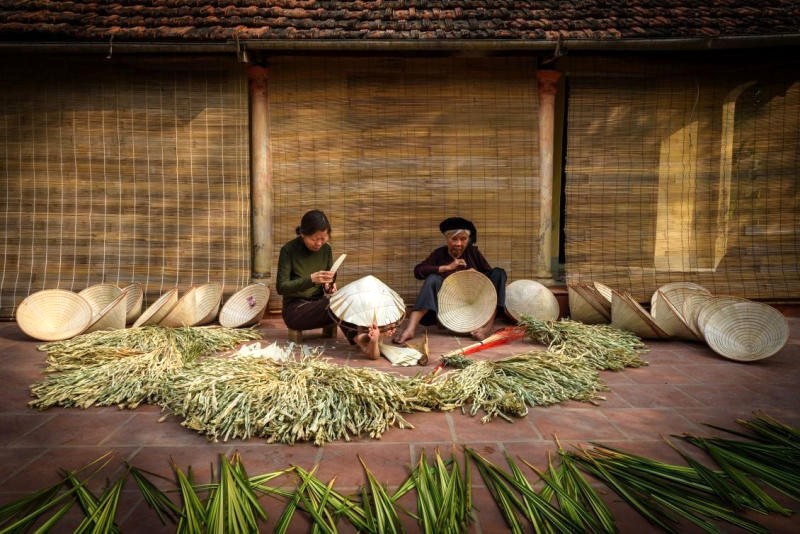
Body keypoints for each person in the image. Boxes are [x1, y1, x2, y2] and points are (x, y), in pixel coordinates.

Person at [393, 216, 506, 344]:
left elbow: (489, 283)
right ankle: (410, 329)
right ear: (447, 239)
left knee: (499, 273)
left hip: (474, 306)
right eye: (454, 239)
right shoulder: (439, 254)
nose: (459, 243)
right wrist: (447, 268)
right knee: (432, 278)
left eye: (463, 239)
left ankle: (486, 328)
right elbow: (418, 271)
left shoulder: (472, 252)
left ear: (468, 240)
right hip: (448, 310)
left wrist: (477, 275)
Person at [276, 209, 340, 336]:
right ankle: (361, 339)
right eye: (314, 239)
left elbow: (328, 279)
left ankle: (363, 340)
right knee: (335, 305)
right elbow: (281, 287)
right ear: (302, 234)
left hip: (319, 305)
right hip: (296, 310)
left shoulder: (326, 249)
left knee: (345, 299)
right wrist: (311, 280)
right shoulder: (288, 250)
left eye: (323, 238)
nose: (319, 243)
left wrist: (329, 287)